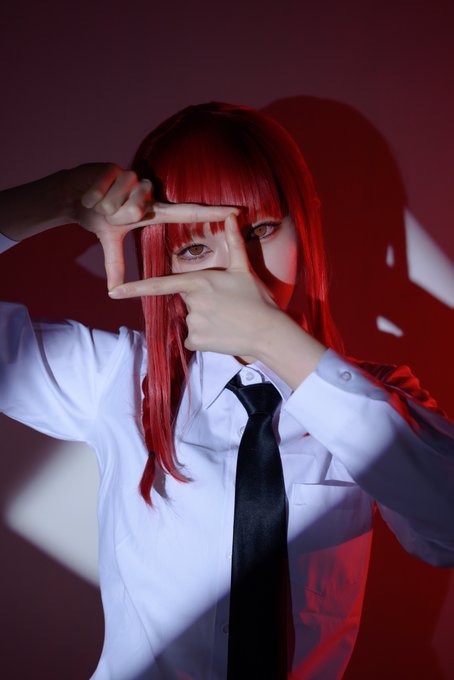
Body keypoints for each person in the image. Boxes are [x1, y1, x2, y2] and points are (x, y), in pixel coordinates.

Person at [0, 102, 453, 680]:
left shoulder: (379, 399)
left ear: (304, 224)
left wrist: (273, 338)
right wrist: (58, 199)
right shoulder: (117, 378)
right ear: (161, 259)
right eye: (195, 248)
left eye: (260, 230)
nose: (240, 271)